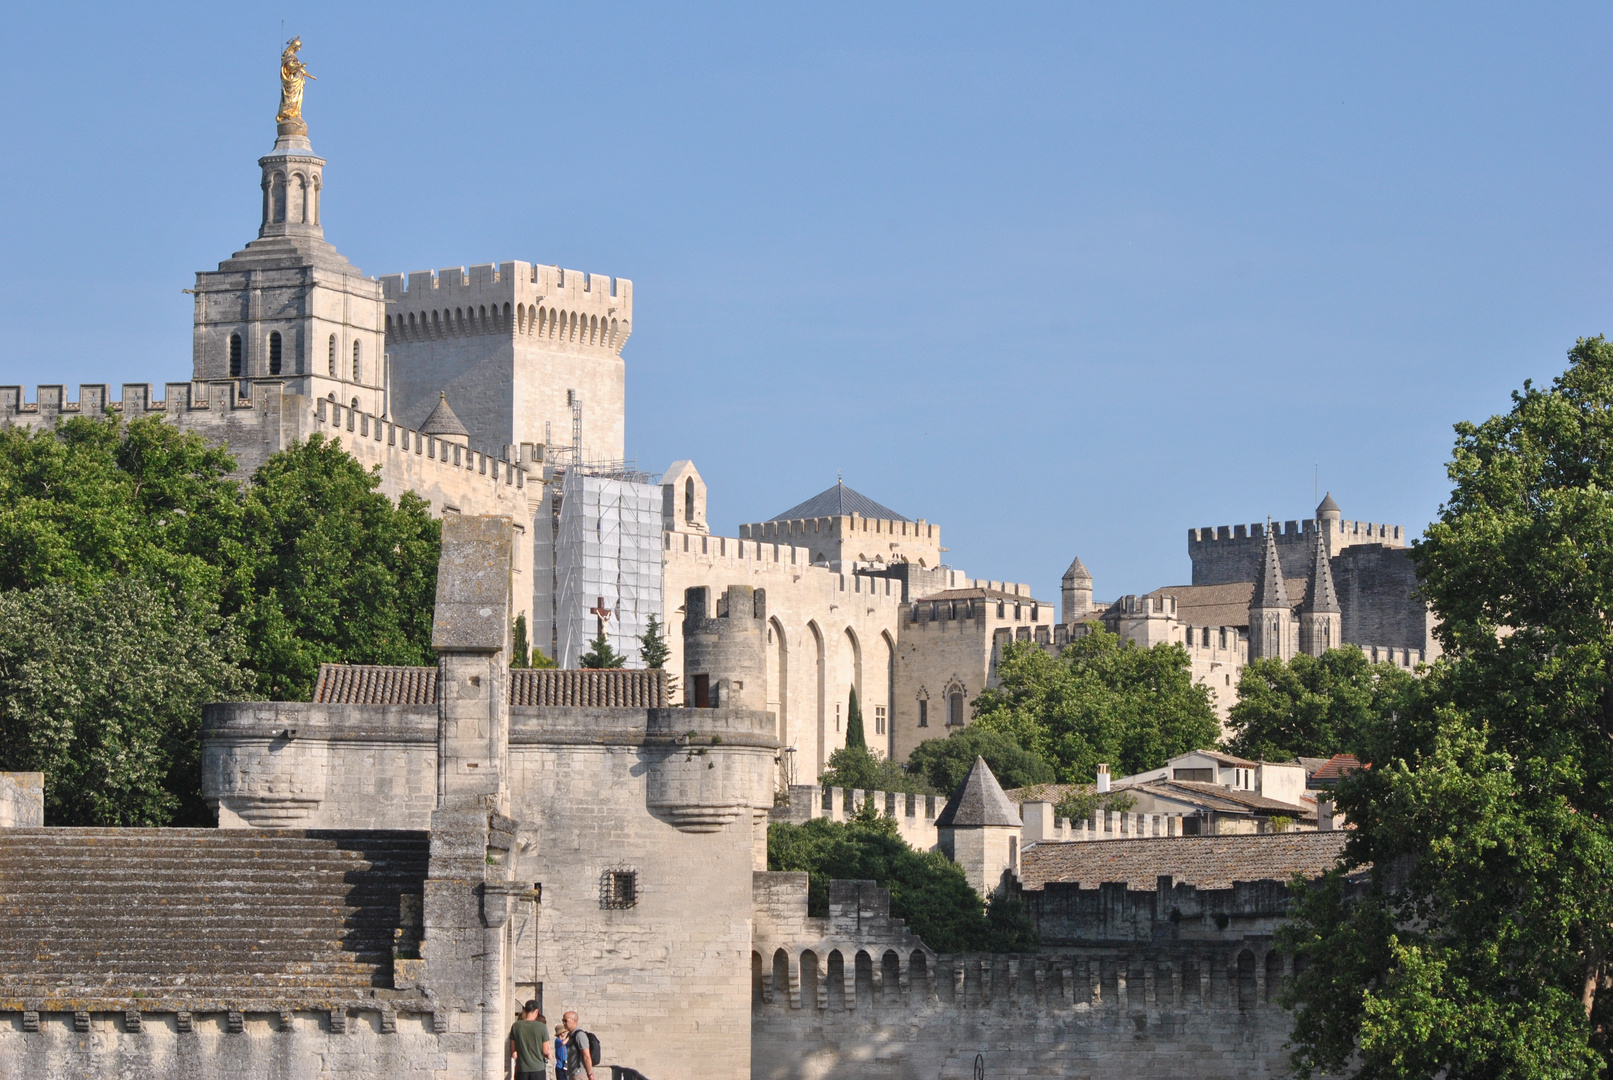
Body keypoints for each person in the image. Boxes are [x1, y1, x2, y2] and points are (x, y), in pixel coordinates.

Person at [507, 1000, 552, 1080]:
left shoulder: (516, 1026)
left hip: (522, 1069)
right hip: (538, 1069)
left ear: (525, 1010)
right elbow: (545, 1051)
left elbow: (513, 1051)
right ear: (537, 1011)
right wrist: (549, 1054)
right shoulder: (542, 1027)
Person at [561, 1010, 596, 1080]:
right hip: (573, 1073)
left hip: (580, 1074)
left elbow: (586, 1056)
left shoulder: (579, 1035)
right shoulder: (572, 1035)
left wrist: (590, 1073)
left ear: (574, 1021)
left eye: (565, 1020)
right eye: (563, 1021)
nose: (564, 1023)